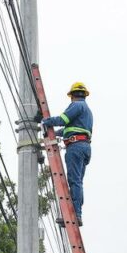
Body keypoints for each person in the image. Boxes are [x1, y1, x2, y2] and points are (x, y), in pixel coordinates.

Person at [40, 81, 93, 226]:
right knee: (78, 182)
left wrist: (46, 121)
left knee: (74, 181)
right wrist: (54, 133)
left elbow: (63, 120)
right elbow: (68, 129)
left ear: (72, 96)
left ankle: (75, 215)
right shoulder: (87, 110)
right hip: (84, 147)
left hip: (75, 147)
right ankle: (77, 214)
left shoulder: (76, 105)